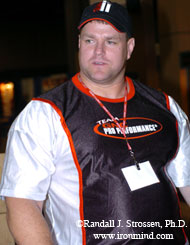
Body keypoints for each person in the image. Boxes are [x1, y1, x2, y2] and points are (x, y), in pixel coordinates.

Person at [0, 1, 190, 244]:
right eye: (90, 40)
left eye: (110, 41)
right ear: (79, 44)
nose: (98, 51)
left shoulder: (165, 107)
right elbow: (23, 202)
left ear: (129, 48)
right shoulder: (45, 114)